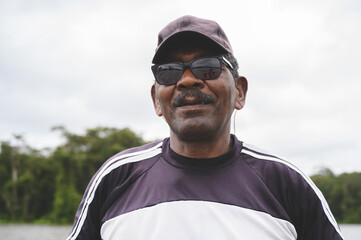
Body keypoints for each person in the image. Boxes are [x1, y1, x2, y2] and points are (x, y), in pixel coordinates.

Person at [66, 15, 343, 240]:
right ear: (156, 99)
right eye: (169, 71)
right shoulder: (116, 178)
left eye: (207, 67)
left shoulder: (287, 184)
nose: (187, 81)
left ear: (240, 91)